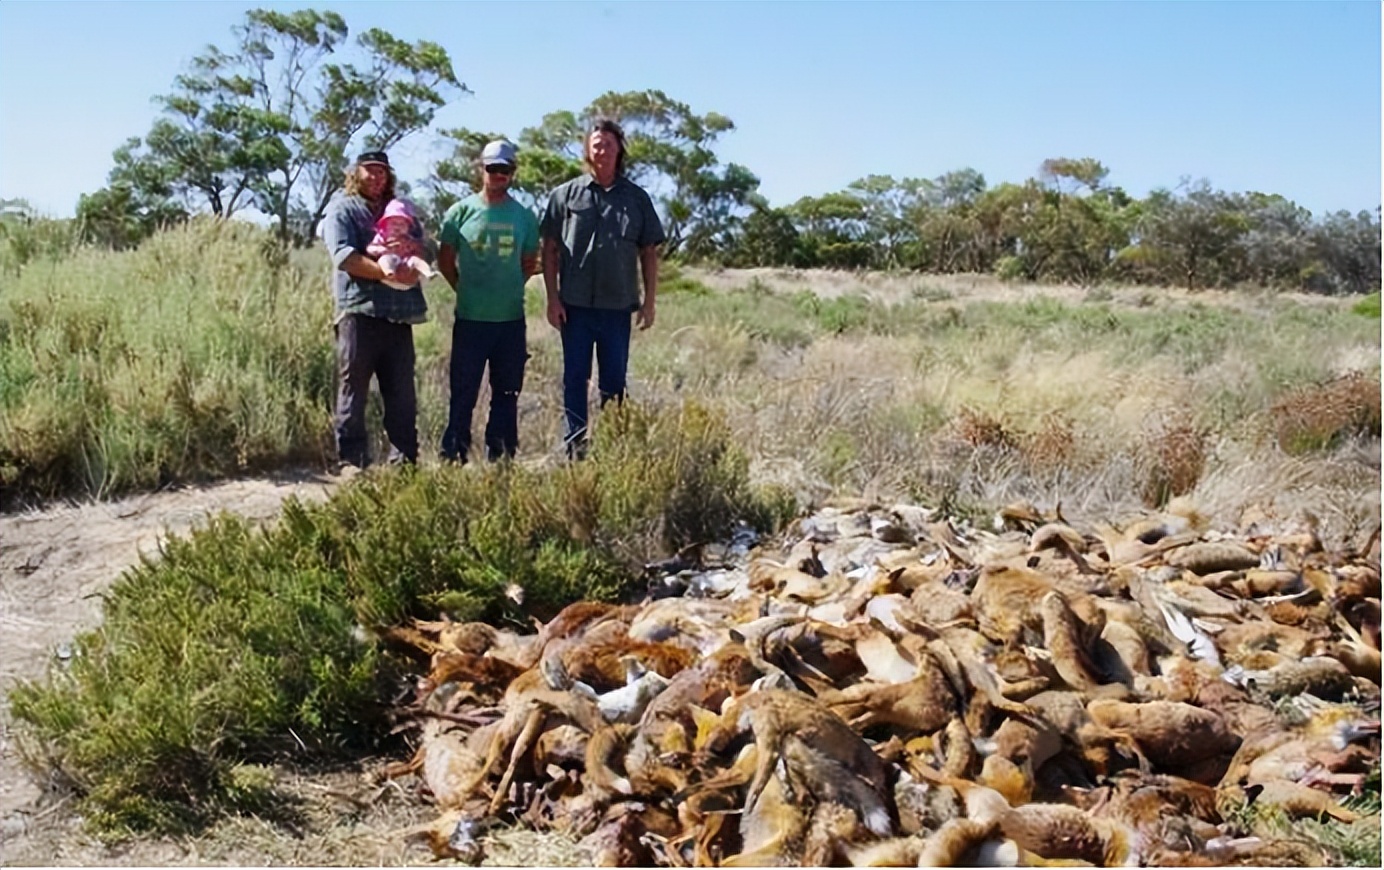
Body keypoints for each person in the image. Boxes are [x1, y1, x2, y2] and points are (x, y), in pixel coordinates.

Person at [541, 118, 665, 459]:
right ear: (586, 150)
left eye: (609, 144)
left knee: (614, 382)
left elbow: (649, 252)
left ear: (619, 150)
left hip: (617, 308)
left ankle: (614, 448)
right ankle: (574, 448)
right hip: (575, 307)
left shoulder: (637, 199)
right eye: (596, 144)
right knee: (575, 378)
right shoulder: (564, 196)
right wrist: (552, 299)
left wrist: (649, 302)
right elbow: (549, 250)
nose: (602, 150)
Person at [321, 150, 427, 471]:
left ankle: (404, 463)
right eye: (370, 170)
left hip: (399, 315)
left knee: (402, 394)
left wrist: (414, 265)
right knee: (354, 389)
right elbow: (344, 257)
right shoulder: (343, 209)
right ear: (356, 173)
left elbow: (423, 247)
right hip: (359, 312)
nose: (377, 177)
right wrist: (384, 273)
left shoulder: (401, 210)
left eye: (382, 171)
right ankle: (352, 461)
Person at [437, 140, 540, 463]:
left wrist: (506, 288)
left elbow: (527, 263)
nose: (498, 175)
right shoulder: (460, 212)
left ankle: (501, 457)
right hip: (470, 319)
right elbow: (445, 259)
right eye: (492, 168)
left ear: (513, 172)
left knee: (507, 394)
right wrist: (465, 289)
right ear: (481, 168)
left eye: (505, 169)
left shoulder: (524, 217)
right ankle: (454, 456)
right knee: (463, 393)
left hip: (510, 321)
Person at [367, 197, 437, 290]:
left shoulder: (408, 238)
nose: (397, 227)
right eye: (394, 223)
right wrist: (380, 249)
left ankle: (428, 273)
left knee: (415, 260)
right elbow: (370, 248)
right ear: (385, 224)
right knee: (385, 259)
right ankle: (389, 272)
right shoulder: (382, 236)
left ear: (408, 227)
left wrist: (412, 247)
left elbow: (419, 248)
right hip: (390, 262)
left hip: (406, 264)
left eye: (402, 224)